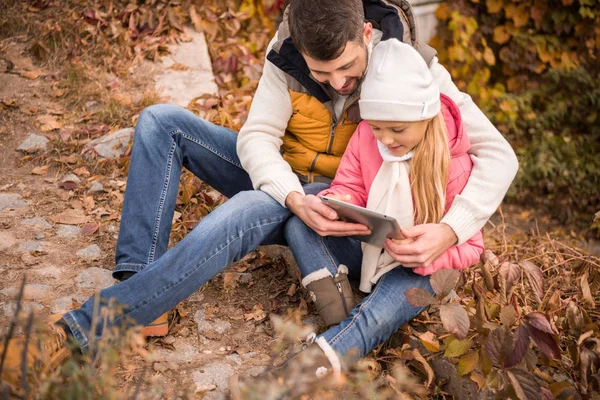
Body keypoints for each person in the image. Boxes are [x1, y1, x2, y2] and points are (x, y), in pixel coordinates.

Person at [0, 0, 517, 393]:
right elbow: (255, 139)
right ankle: (143, 289)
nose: (337, 84)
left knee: (248, 208)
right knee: (162, 122)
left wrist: (450, 230)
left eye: (347, 70)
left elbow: (500, 155)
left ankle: (82, 331)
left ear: (366, 33)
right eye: (322, 73)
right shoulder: (286, 55)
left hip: (341, 196)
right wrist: (291, 196)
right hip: (291, 187)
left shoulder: (414, 71)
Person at [260, 39, 486, 391]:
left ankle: (289, 381)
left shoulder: (454, 163)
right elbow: (350, 182)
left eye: (397, 130)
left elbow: (472, 247)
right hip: (371, 248)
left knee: (374, 317)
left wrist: (427, 256)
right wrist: (338, 201)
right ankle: (339, 307)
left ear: (425, 118)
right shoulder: (370, 135)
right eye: (377, 128)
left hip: (419, 270)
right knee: (300, 221)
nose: (386, 139)